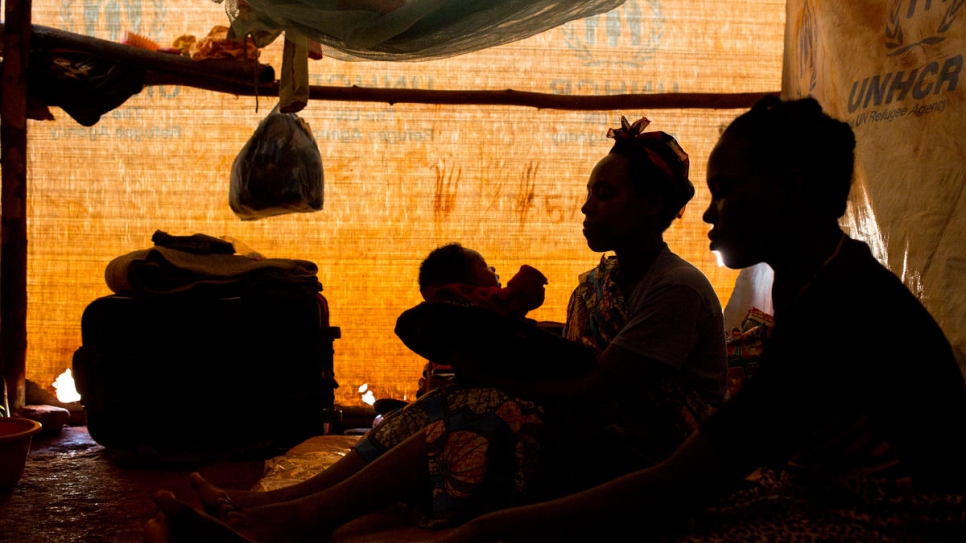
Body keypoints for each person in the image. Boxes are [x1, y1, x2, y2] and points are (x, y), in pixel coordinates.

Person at [143, 115, 729, 543]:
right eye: (588, 193)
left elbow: (598, 388)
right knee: (451, 398)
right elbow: (573, 363)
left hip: (650, 451)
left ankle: (299, 518)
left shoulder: (673, 288)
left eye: (605, 194)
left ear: (654, 206)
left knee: (487, 408)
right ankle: (273, 504)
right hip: (598, 425)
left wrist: (497, 375)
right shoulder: (595, 284)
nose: (586, 207)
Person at [427, 96, 966, 543]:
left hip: (897, 522)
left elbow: (680, 479)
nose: (708, 213)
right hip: (820, 491)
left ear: (791, 188)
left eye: (725, 191)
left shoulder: (839, 304)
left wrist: (485, 530)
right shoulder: (812, 280)